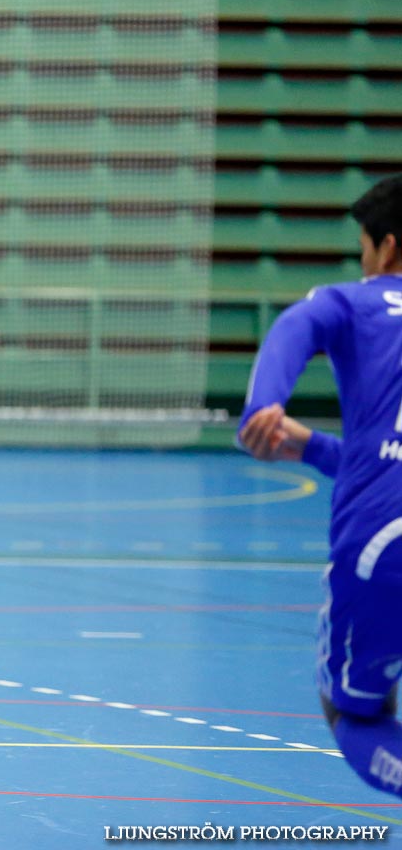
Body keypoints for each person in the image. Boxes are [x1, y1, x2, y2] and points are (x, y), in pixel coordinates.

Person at [237, 173, 402, 799]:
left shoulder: (356, 303)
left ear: (385, 248)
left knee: (358, 714)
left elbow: (295, 328)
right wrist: (310, 446)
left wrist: (264, 408)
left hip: (385, 544)